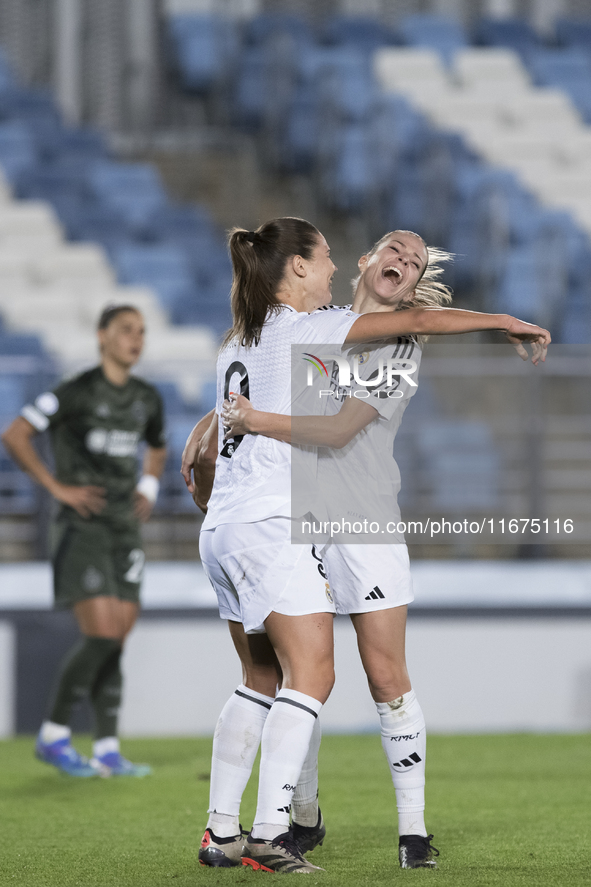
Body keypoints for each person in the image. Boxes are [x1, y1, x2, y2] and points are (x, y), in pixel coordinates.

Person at [181, 218, 550, 873]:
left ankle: (411, 828)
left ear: (412, 282)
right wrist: (210, 421)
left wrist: (243, 418)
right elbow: (262, 376)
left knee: (382, 676)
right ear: (364, 259)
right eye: (394, 249)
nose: (404, 260)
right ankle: (296, 817)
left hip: (361, 522)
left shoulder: (397, 341)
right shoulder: (316, 320)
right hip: (294, 517)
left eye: (414, 260)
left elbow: (339, 427)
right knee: (301, 672)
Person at [1, 305, 167, 777]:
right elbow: (16, 434)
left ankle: (108, 750)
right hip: (83, 525)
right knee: (103, 634)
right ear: (102, 337)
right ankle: (54, 735)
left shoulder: (146, 397)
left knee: (117, 637)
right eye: (126, 330)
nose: (136, 339)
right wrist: (56, 488)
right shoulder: (76, 392)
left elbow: (156, 444)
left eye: (141, 331)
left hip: (124, 526)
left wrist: (149, 486)